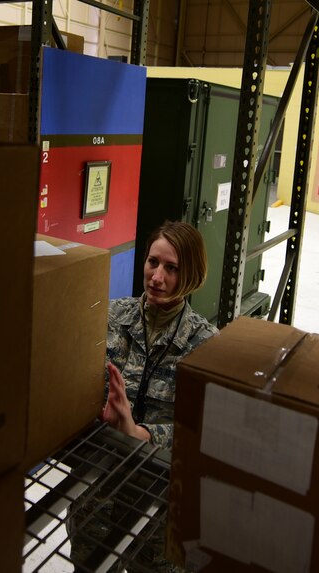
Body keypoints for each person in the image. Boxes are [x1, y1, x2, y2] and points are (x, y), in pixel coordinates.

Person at [68, 221, 218, 572]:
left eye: (172, 268)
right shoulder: (109, 317)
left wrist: (142, 434)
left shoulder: (207, 346)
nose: (157, 278)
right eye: (153, 262)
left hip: (158, 513)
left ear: (192, 274)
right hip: (95, 498)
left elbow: (205, 434)